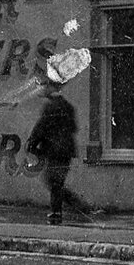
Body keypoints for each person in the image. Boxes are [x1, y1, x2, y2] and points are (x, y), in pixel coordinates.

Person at [24, 38, 90, 225]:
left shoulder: (50, 107)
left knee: (53, 182)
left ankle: (60, 212)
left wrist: (32, 143)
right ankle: (74, 208)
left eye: (45, 85)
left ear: (51, 87)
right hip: (66, 149)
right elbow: (74, 127)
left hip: (55, 150)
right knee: (56, 182)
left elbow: (41, 128)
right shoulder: (67, 106)